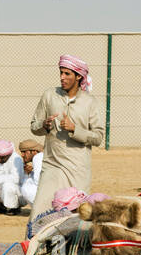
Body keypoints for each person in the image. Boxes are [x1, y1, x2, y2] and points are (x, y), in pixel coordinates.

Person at [28, 54, 105, 219]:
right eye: (61, 73)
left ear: (79, 76)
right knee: (40, 212)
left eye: (67, 74)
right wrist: (44, 125)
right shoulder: (49, 95)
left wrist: (75, 129)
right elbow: (34, 125)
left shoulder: (89, 102)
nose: (62, 77)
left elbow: (98, 137)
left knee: (76, 215)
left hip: (77, 169)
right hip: (52, 165)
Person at [18, 138, 43, 208]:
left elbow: (39, 182)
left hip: (49, 194)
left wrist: (27, 177)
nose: (22, 155)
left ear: (34, 151)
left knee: (25, 188)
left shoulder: (37, 157)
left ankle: (41, 210)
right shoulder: (41, 156)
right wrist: (29, 173)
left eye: (24, 152)